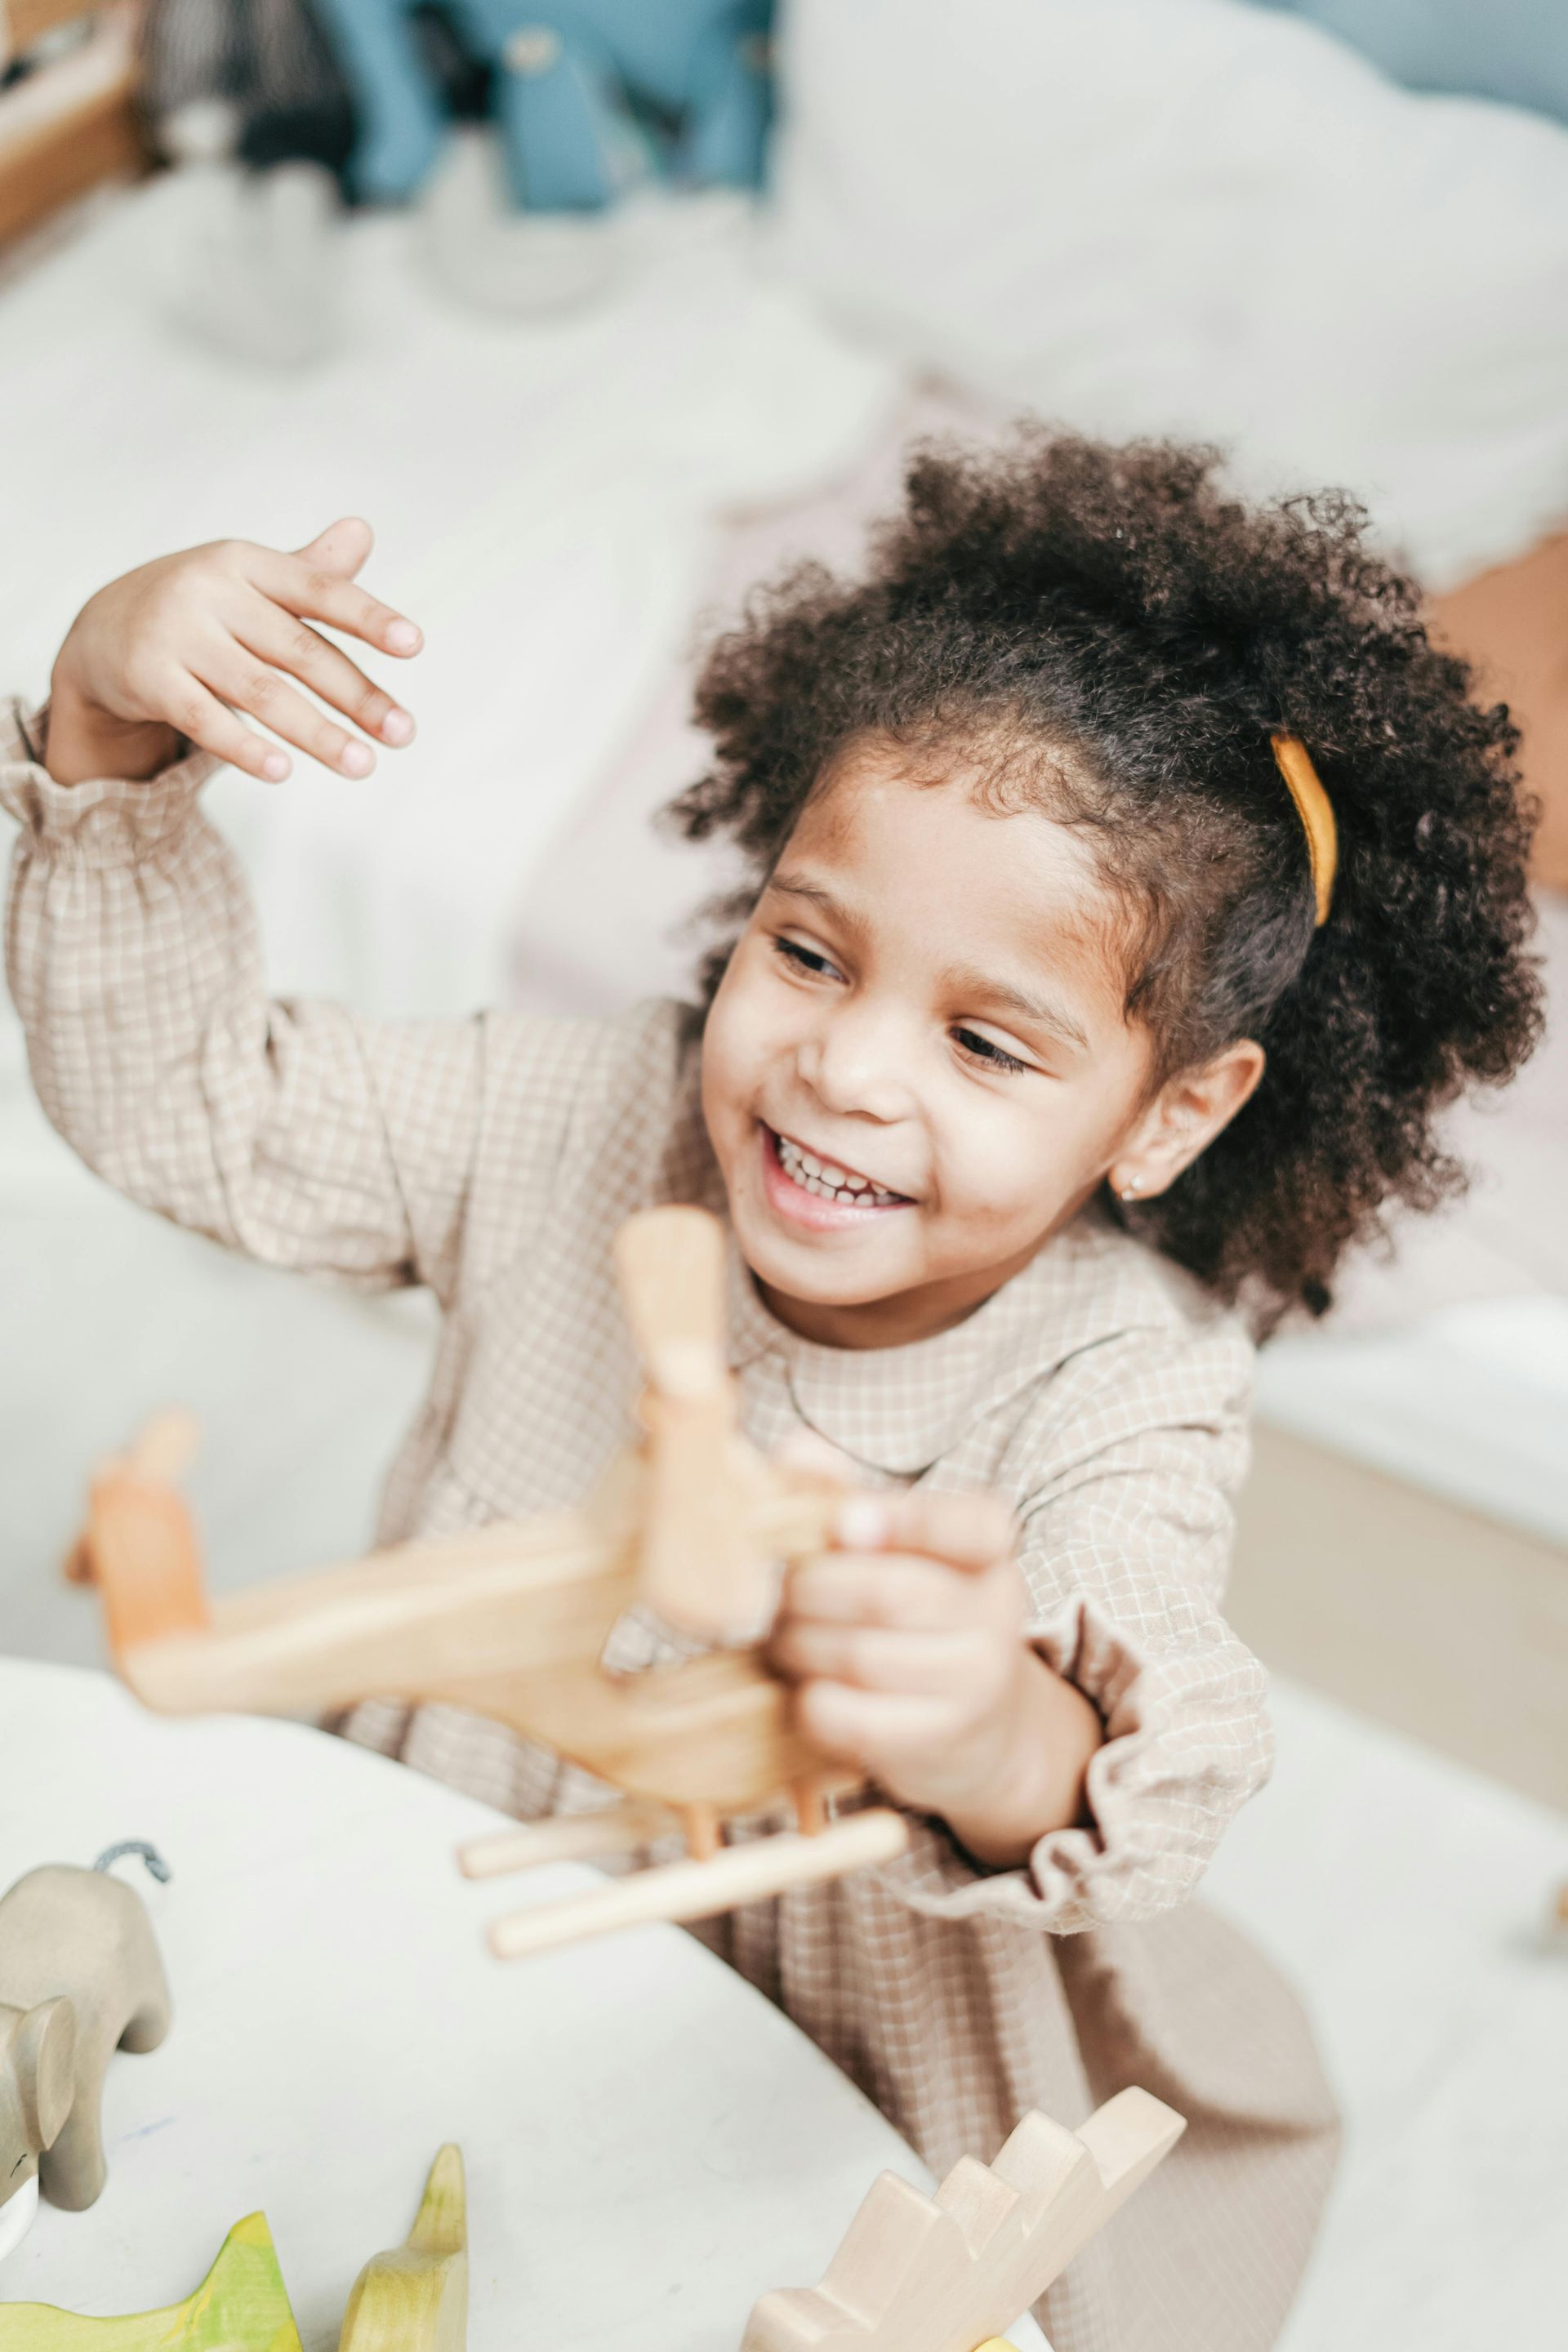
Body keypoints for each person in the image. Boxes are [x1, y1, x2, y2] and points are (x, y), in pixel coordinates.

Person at [2, 432, 1541, 2351]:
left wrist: (988, 1727)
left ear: (1168, 1115)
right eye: (810, 953)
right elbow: (191, 1107)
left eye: (987, 1040)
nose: (848, 1072)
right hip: (439, 1865)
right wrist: (106, 733)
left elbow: (1156, 1748)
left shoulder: (1120, 1377)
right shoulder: (567, 1119)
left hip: (833, 2021)